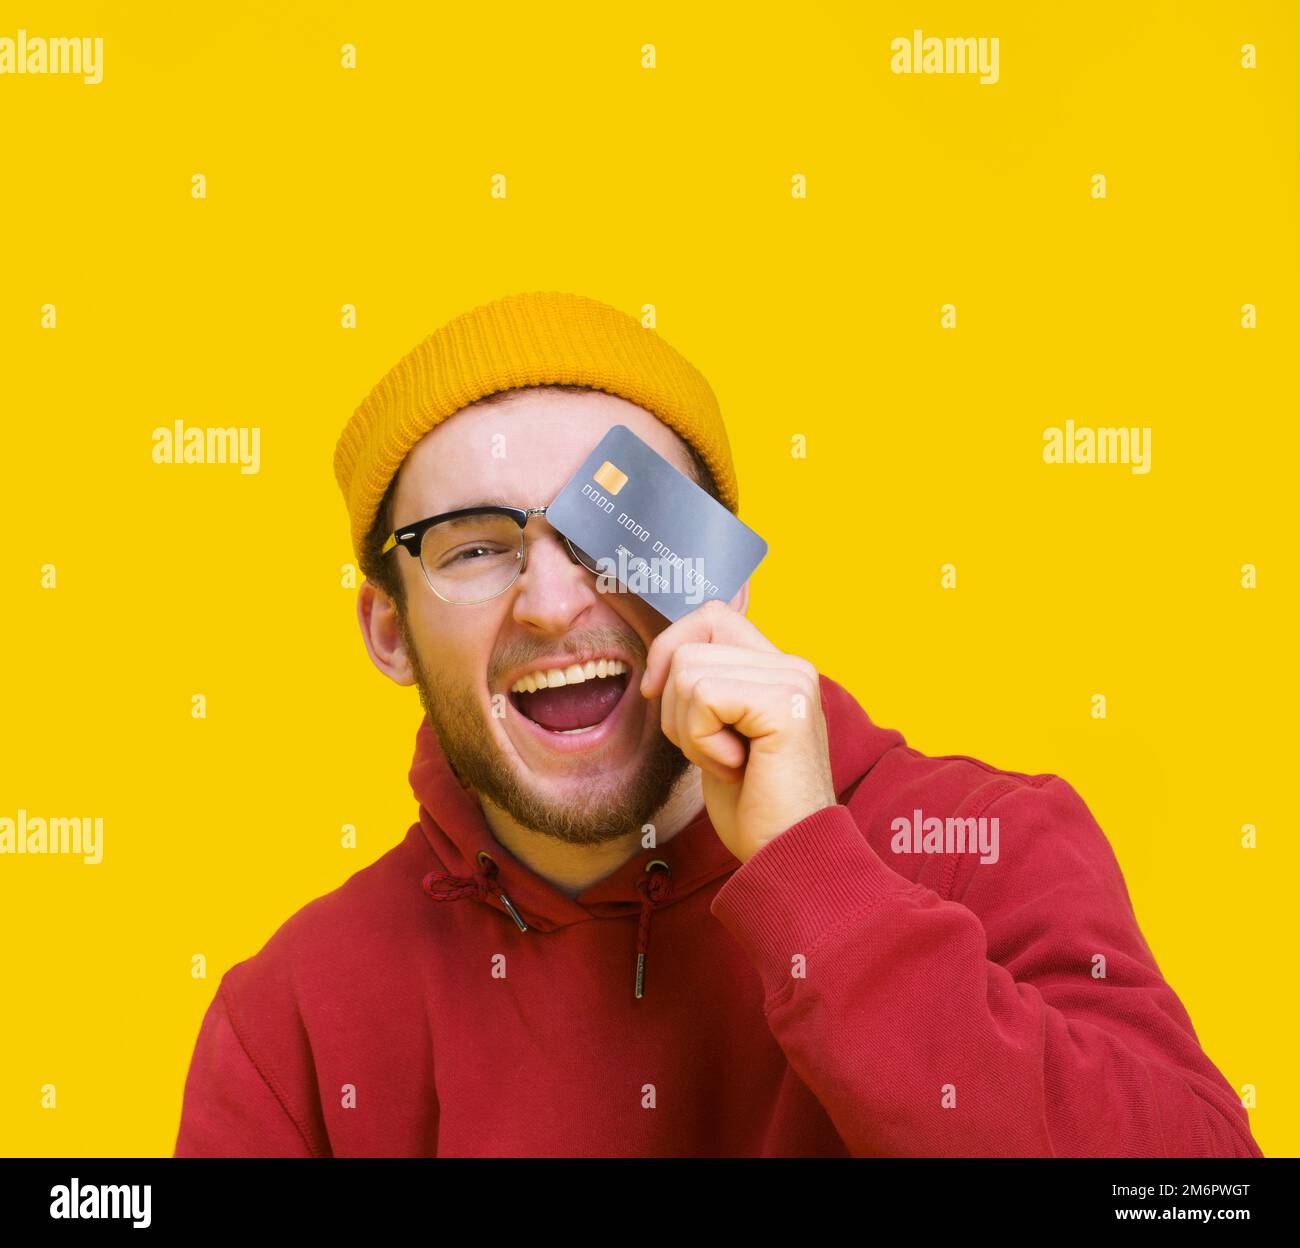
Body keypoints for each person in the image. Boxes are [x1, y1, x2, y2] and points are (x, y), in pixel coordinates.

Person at [173, 290, 1262, 1157]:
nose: (553, 604)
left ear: (718, 580)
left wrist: (815, 881)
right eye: (472, 547)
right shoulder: (291, 1020)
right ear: (389, 631)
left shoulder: (984, 843)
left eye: (614, 527)